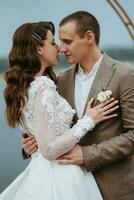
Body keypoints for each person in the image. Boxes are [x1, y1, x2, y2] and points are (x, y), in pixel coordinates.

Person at [0, 21, 118, 200]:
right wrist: (88, 120)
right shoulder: (42, 87)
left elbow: (36, 130)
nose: (59, 48)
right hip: (61, 175)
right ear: (39, 49)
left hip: (39, 172)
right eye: (53, 42)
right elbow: (48, 149)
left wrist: (28, 143)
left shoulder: (27, 86)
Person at [22, 11, 134, 200]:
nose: (61, 48)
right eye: (59, 42)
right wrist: (29, 144)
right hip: (71, 188)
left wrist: (88, 154)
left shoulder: (125, 75)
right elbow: (51, 127)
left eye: (68, 41)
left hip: (114, 189)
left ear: (89, 37)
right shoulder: (60, 79)